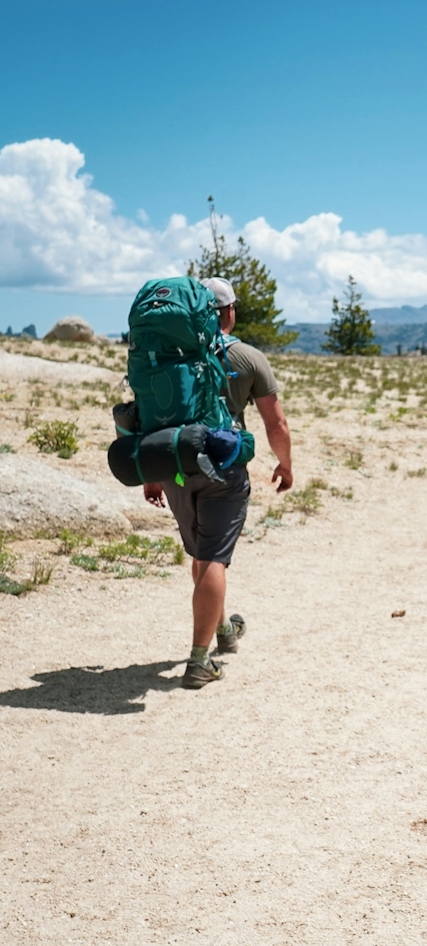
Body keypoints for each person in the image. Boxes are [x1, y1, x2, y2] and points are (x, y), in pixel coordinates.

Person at [142, 277, 294, 689]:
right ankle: (198, 661)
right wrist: (285, 465)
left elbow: (144, 414)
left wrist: (152, 474)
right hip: (224, 470)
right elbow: (275, 421)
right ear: (229, 312)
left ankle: (224, 629)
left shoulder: (166, 359)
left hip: (173, 467)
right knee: (213, 557)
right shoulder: (247, 357)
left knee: (200, 552)